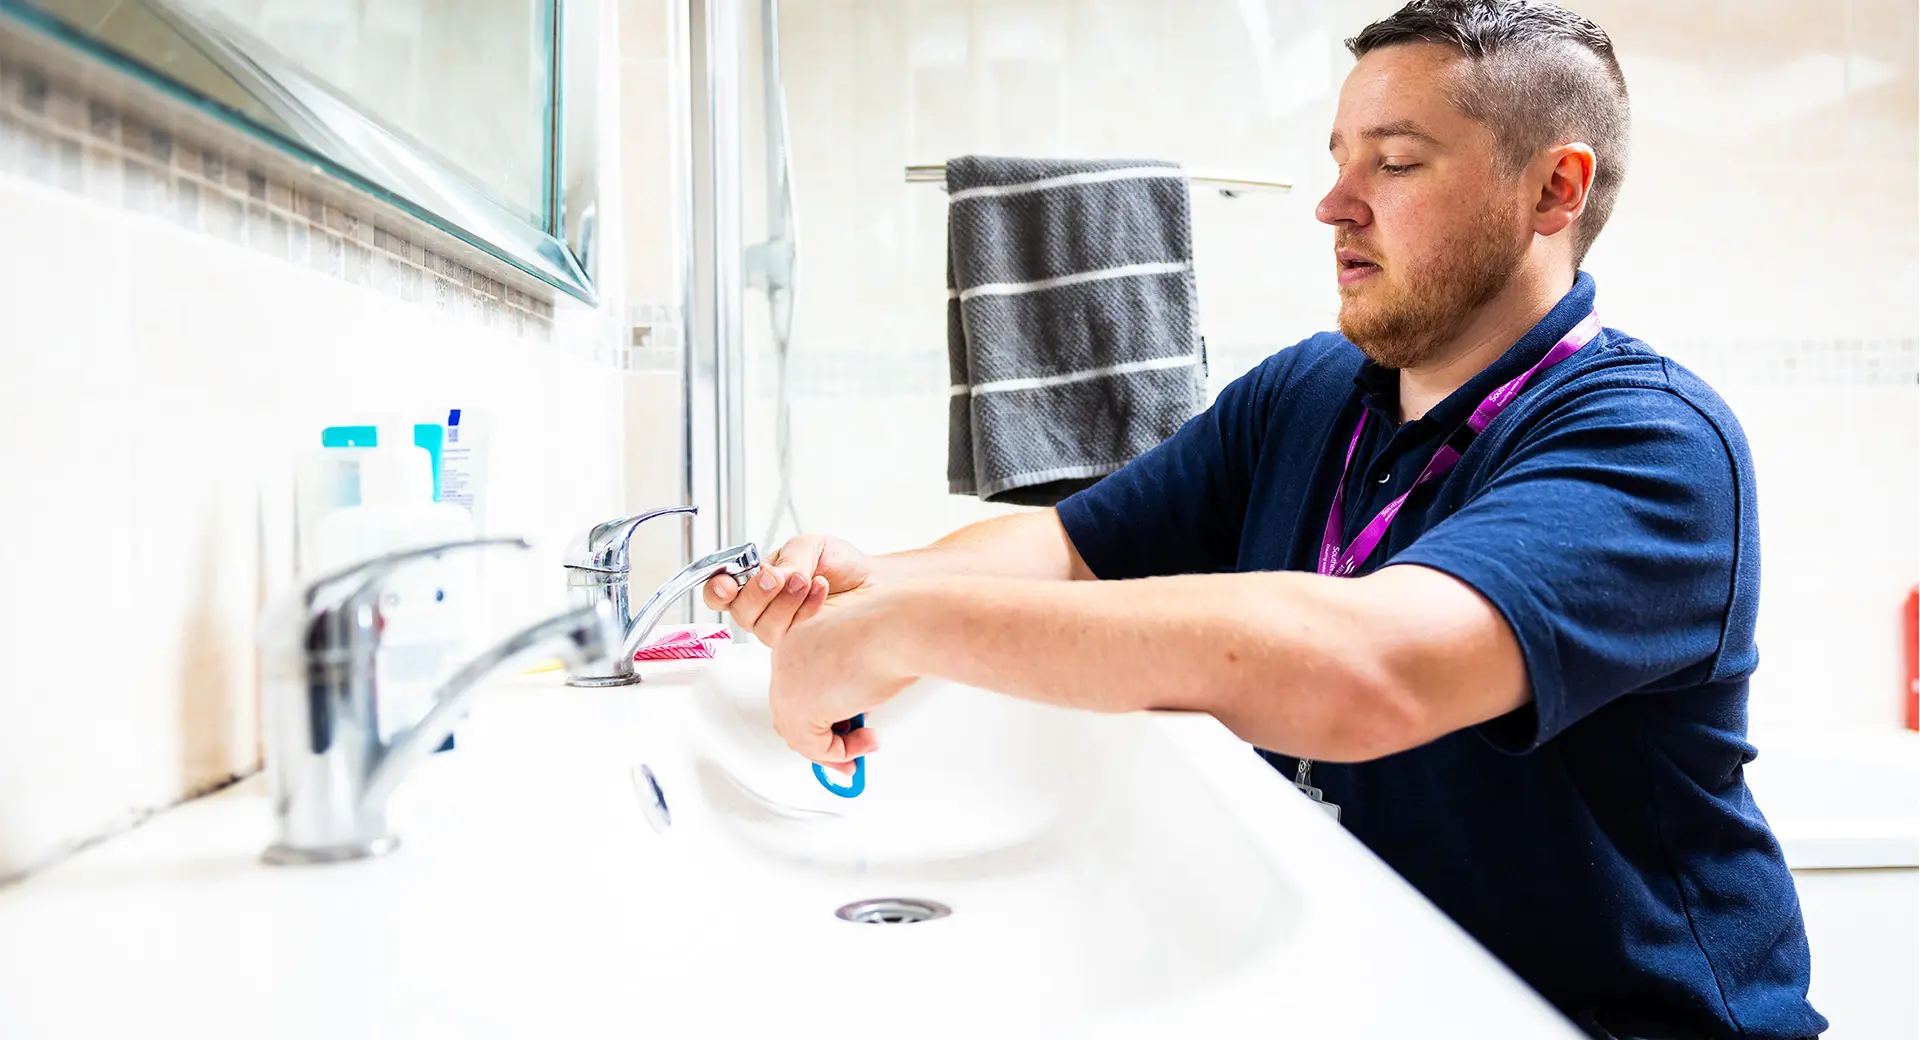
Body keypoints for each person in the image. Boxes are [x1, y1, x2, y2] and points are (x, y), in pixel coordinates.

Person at [704, 2, 1826, 1037]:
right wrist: (860, 586)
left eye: (1394, 162)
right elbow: (1072, 549)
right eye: (1339, 162)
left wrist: (897, 634)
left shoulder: (1652, 444)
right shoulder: (1311, 392)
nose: (1337, 203)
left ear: (1552, 192)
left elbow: (1368, 670)